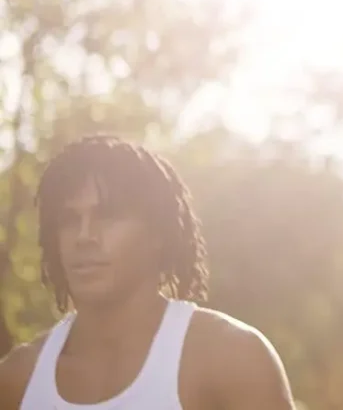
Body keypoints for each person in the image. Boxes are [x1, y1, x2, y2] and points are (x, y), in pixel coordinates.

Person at [0, 135, 295, 410]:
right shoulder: (18, 378)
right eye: (69, 219)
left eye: (107, 216)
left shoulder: (230, 358)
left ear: (158, 234)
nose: (84, 235)